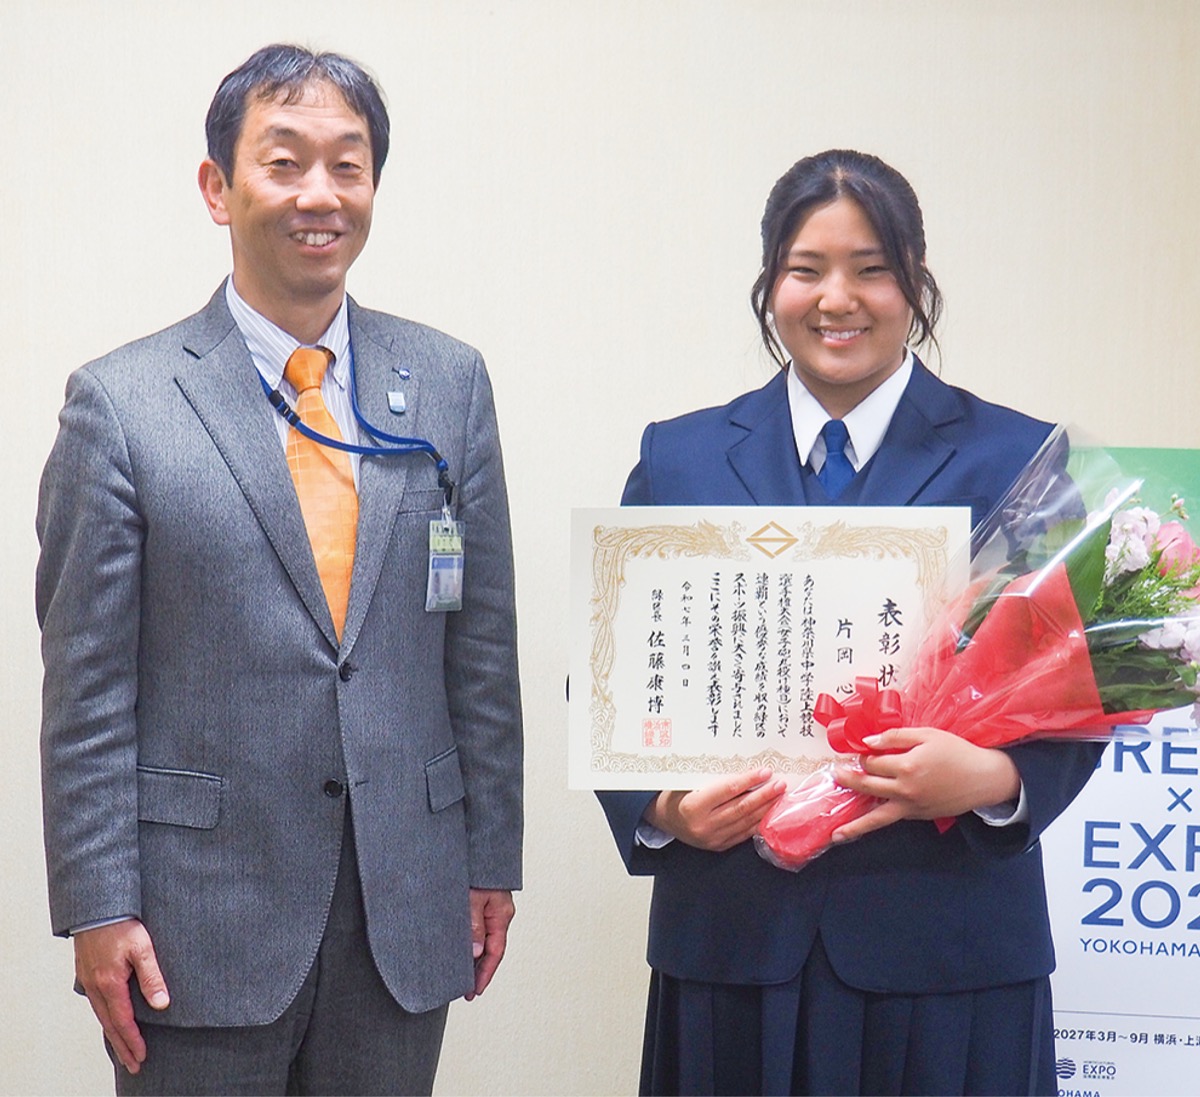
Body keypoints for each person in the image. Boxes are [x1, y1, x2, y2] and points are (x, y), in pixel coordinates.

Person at [36, 44, 523, 1096]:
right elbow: (86, 690)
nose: (320, 194)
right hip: (195, 920)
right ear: (218, 188)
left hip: (403, 900)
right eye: (285, 160)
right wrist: (97, 903)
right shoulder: (121, 404)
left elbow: (480, 647)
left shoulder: (449, 383)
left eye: (348, 165)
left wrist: (491, 856)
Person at [597, 149, 1102, 1097]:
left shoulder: (1017, 459)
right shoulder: (680, 458)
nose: (838, 298)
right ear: (770, 283)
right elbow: (612, 681)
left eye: (872, 268)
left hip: (946, 943)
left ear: (916, 280)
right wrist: (663, 809)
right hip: (736, 937)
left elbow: (1082, 688)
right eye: (807, 269)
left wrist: (991, 778)